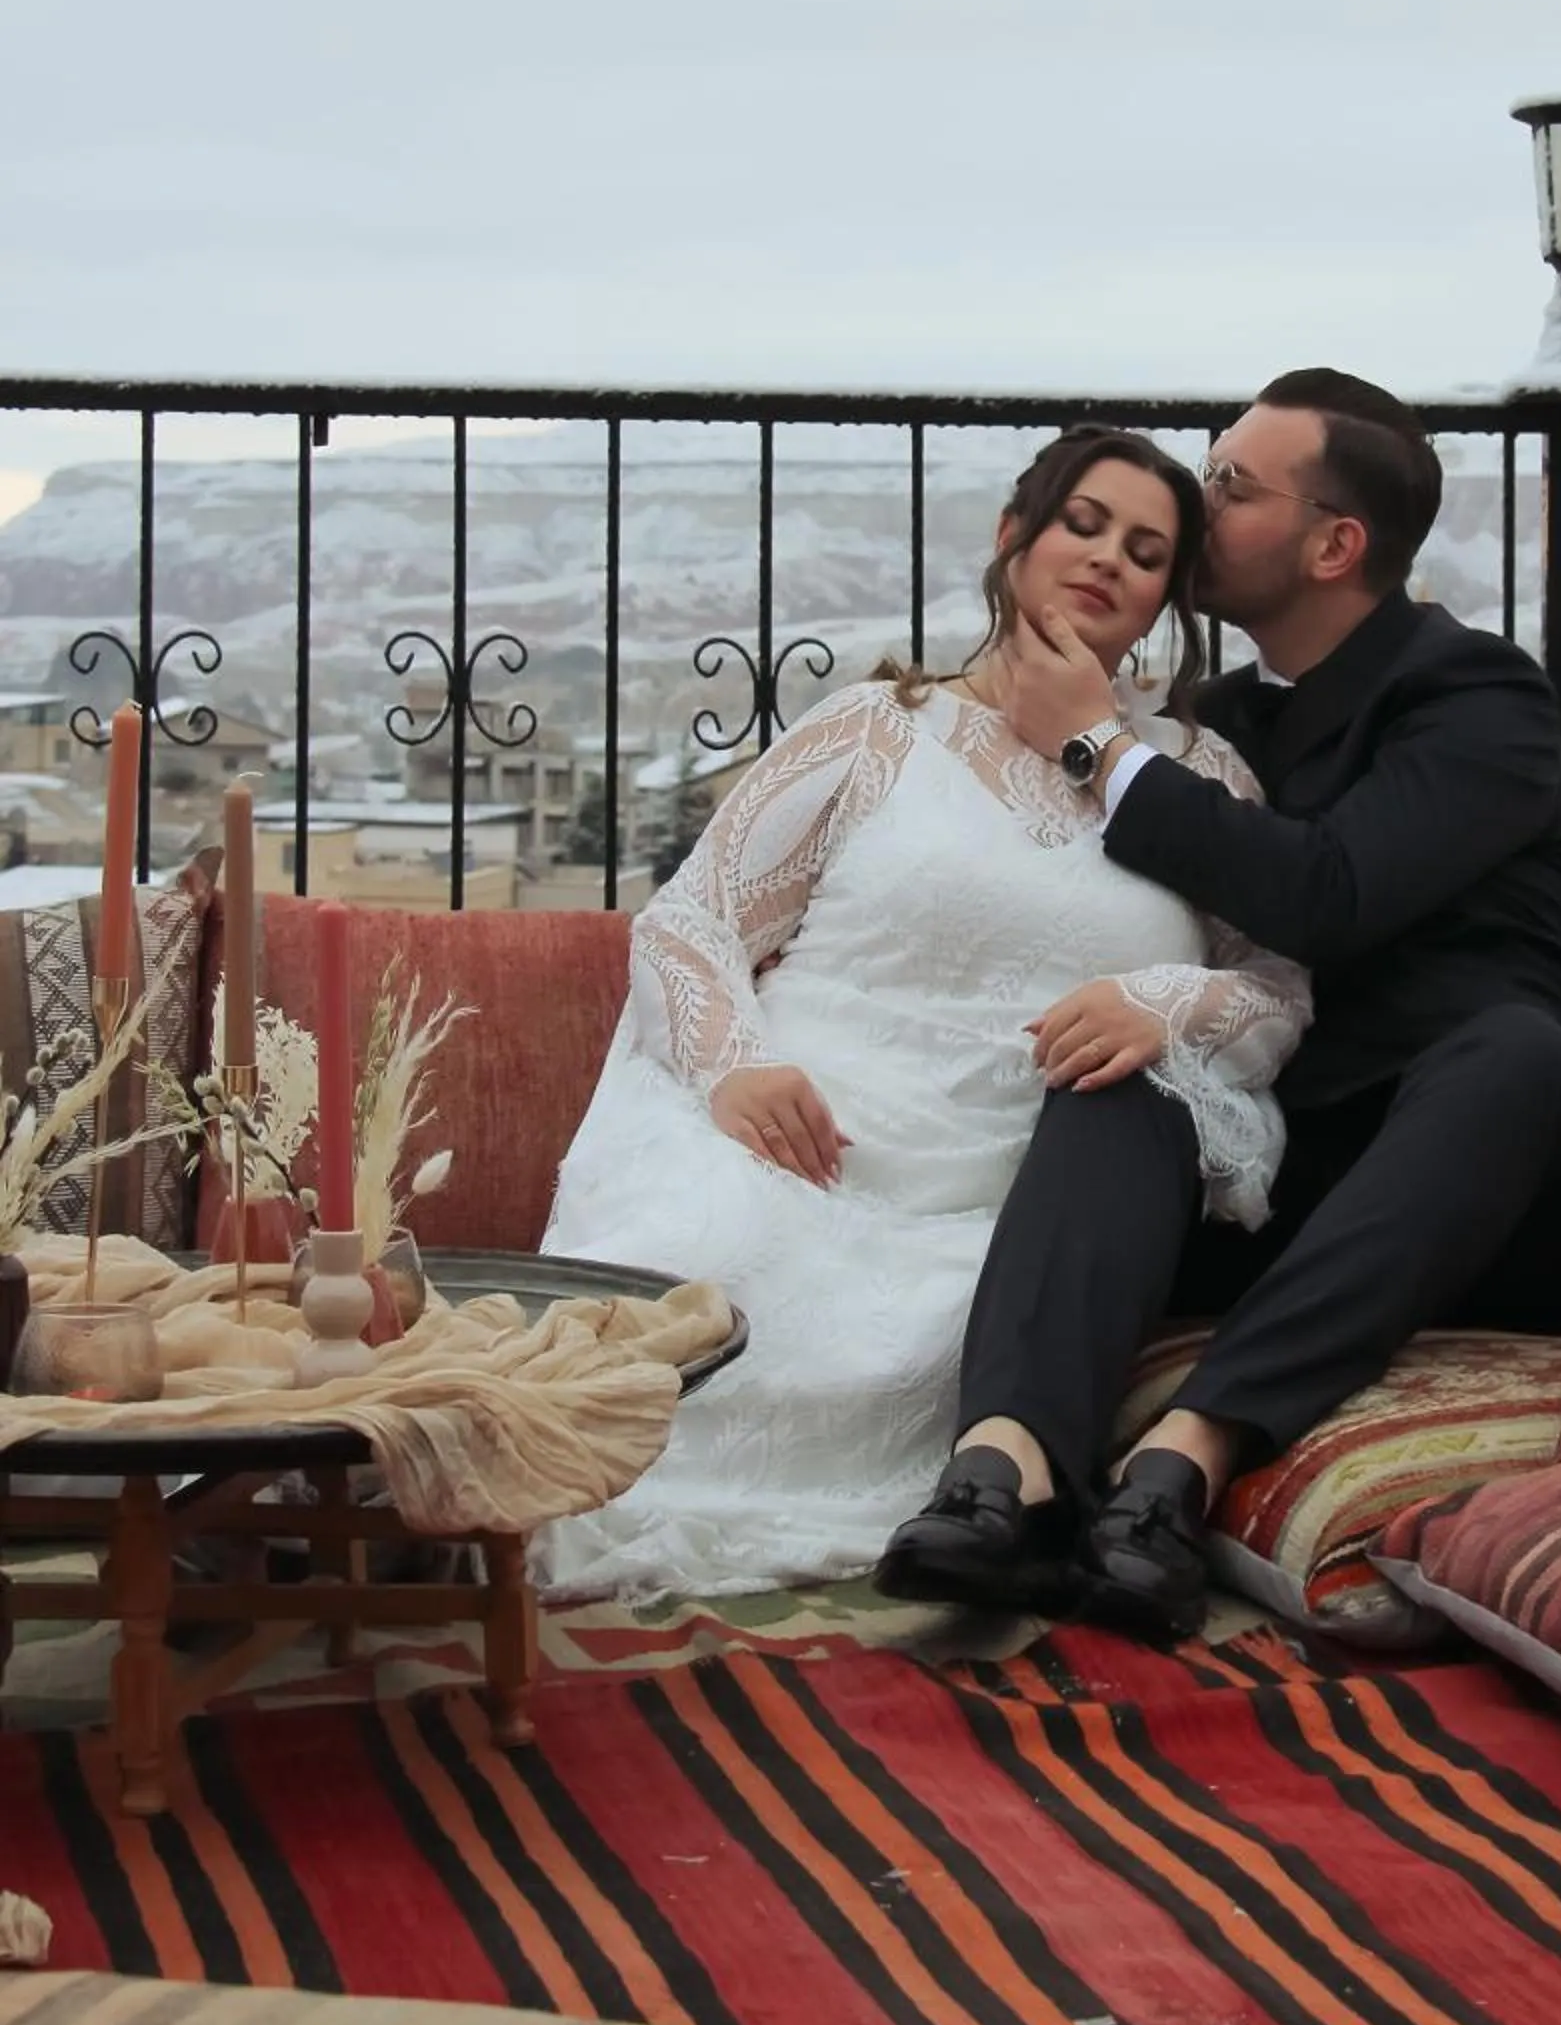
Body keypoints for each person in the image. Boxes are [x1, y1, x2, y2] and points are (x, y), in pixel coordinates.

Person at [879, 368, 1561, 1638]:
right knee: (1128, 1068)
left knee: (1516, 1055)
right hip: (1302, 1161)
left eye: (1229, 486)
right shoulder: (1220, 724)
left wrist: (1100, 747)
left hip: (1491, 1187)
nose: (1196, 499)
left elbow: (1329, 895)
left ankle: (1180, 1464)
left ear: (1333, 543)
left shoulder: (1474, 698)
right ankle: (1002, 1477)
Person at [534, 427, 1308, 1601]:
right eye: (1081, 525)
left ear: (1162, 600)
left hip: (1012, 1206)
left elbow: (1277, 988)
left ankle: (998, 1491)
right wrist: (732, 1067)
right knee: (703, 1308)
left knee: (962, 1346)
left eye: (1145, 552)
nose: (1106, 560)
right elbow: (690, 924)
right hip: (800, 1148)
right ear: (1012, 538)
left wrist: (1165, 998)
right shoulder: (873, 729)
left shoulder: (1194, 777)